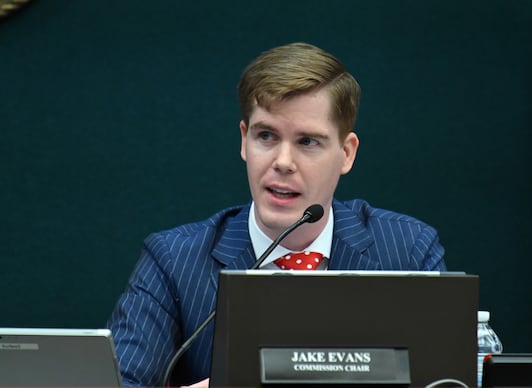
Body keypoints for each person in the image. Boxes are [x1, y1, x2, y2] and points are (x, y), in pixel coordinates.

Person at [107, 42, 447, 387]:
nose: (282, 162)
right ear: (244, 141)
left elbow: (447, 380)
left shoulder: (407, 251)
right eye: (266, 136)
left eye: (307, 142)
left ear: (346, 153)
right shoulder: (174, 261)